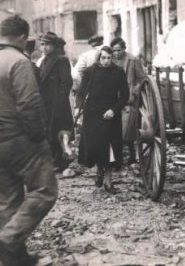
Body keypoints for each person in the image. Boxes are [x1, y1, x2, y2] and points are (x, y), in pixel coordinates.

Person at [0, 16, 58, 266]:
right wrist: (41, 138)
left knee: (9, 198)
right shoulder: (19, 62)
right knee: (45, 191)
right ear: (22, 37)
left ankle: (13, 258)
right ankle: (4, 242)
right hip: (20, 140)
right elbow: (29, 105)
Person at [77, 46, 129, 193]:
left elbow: (125, 95)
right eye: (103, 58)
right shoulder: (91, 71)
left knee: (110, 147)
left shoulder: (118, 72)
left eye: (109, 58)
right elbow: (81, 92)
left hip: (110, 114)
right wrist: (78, 108)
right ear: (99, 57)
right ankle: (99, 170)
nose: (106, 61)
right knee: (96, 146)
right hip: (93, 113)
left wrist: (114, 110)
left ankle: (108, 180)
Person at [39, 31, 73, 170]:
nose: (44, 48)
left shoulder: (61, 60)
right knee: (50, 130)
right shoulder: (44, 61)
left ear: (54, 45)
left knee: (59, 130)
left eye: (47, 44)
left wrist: (60, 100)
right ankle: (54, 160)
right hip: (46, 103)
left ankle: (61, 162)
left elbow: (67, 82)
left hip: (58, 103)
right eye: (42, 44)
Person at [110, 37, 145, 163]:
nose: (116, 53)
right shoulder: (110, 61)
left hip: (128, 100)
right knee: (113, 129)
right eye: (114, 51)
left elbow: (141, 79)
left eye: (119, 50)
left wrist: (134, 92)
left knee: (127, 129)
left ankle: (131, 154)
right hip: (114, 99)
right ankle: (116, 157)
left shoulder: (132, 60)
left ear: (124, 49)